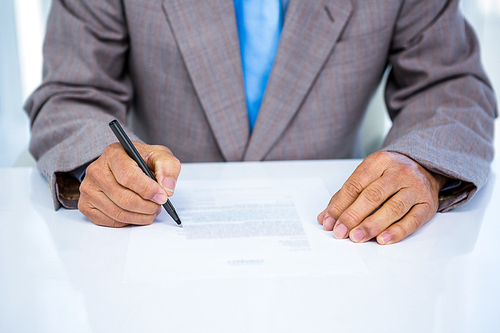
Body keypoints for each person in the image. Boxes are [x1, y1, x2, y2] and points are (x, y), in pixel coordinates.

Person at [25, 0, 497, 245]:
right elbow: (71, 91)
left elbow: (450, 84)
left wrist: (420, 162)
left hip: (345, 263)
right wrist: (98, 165)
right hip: (155, 255)